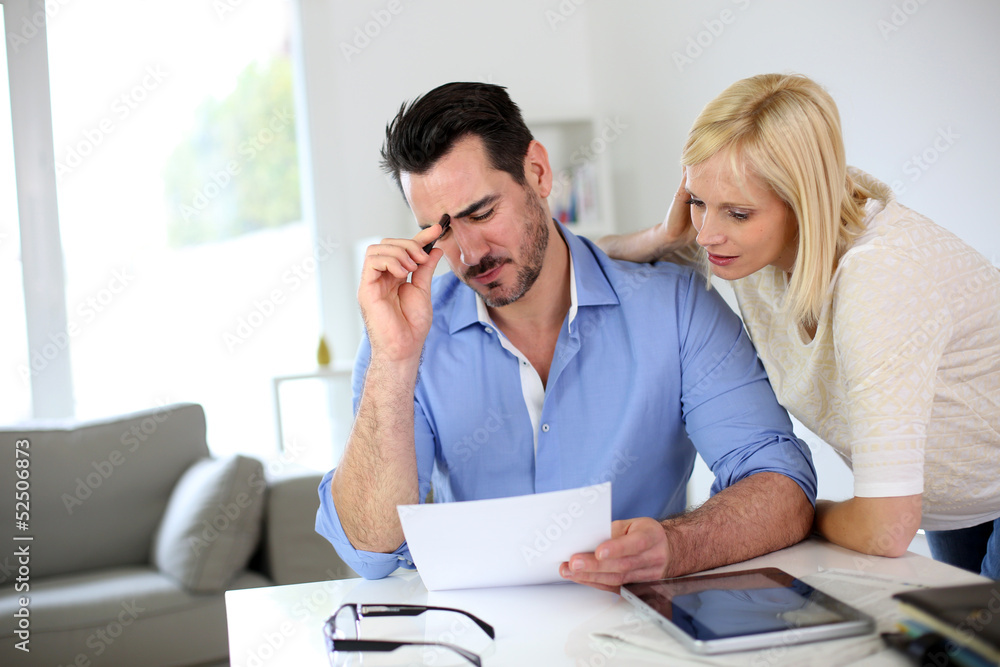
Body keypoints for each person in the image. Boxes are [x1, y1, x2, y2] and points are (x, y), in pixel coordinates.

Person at [315, 81, 818, 591]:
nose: (469, 253)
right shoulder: (402, 342)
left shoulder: (675, 310)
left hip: (637, 634)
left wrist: (677, 546)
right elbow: (370, 549)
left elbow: (782, 486)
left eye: (482, 213)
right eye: (440, 230)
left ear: (537, 171)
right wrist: (395, 360)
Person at [598, 73, 1000, 579]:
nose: (706, 235)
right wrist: (662, 234)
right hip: (960, 500)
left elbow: (885, 528)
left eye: (737, 213)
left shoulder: (879, 280)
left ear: (802, 204)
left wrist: (799, 513)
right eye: (697, 201)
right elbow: (584, 265)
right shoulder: (750, 251)